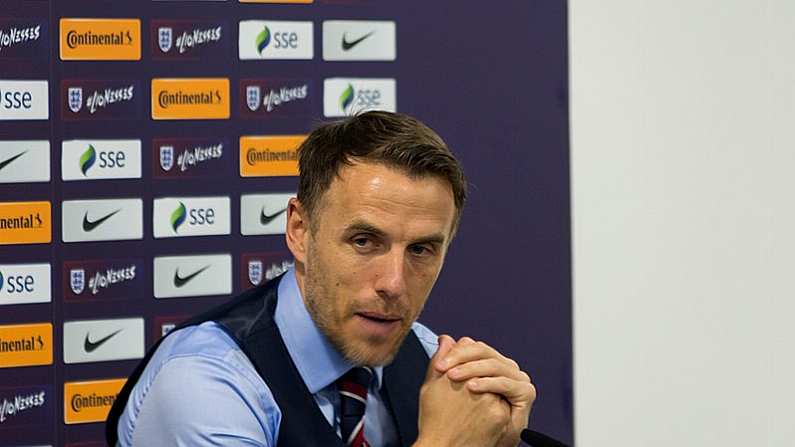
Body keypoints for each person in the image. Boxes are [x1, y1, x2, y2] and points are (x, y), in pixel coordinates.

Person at [106, 111, 536, 447]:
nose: (394, 284)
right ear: (300, 230)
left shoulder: (430, 361)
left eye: (421, 250)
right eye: (365, 241)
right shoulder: (204, 384)